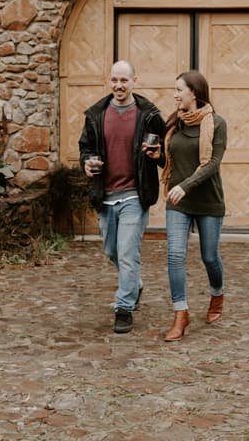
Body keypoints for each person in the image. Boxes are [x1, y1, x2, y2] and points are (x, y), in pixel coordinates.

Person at [78, 60, 166, 334]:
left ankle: (123, 307)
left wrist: (158, 155)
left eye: (124, 80)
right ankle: (134, 284)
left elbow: (165, 154)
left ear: (134, 81)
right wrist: (87, 163)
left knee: (127, 252)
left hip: (134, 196)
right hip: (105, 194)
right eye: (114, 80)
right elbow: (86, 148)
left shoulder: (149, 115)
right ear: (109, 81)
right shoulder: (96, 114)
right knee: (111, 251)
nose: (119, 85)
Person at [153, 70, 227, 342]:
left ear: (193, 93)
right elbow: (172, 164)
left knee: (209, 256)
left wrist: (185, 185)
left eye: (179, 90)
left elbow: (212, 164)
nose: (174, 95)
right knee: (174, 255)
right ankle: (180, 313)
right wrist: (158, 157)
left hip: (207, 200)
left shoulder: (217, 123)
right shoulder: (174, 124)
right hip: (178, 202)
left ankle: (217, 295)